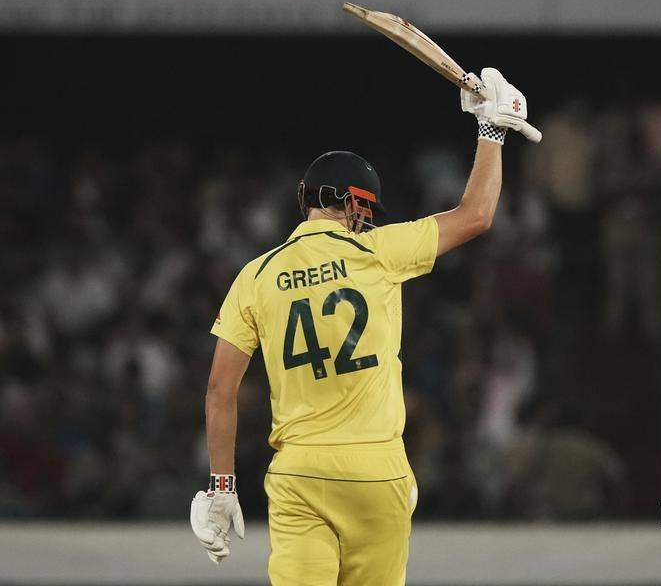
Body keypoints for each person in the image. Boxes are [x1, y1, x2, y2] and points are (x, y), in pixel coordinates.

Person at [189, 68, 537, 585]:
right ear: (351, 202)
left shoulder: (255, 276)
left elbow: (221, 390)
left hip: (300, 474)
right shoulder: (378, 253)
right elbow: (477, 214)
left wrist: (222, 486)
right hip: (378, 473)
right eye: (365, 209)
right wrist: (491, 131)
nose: (367, 220)